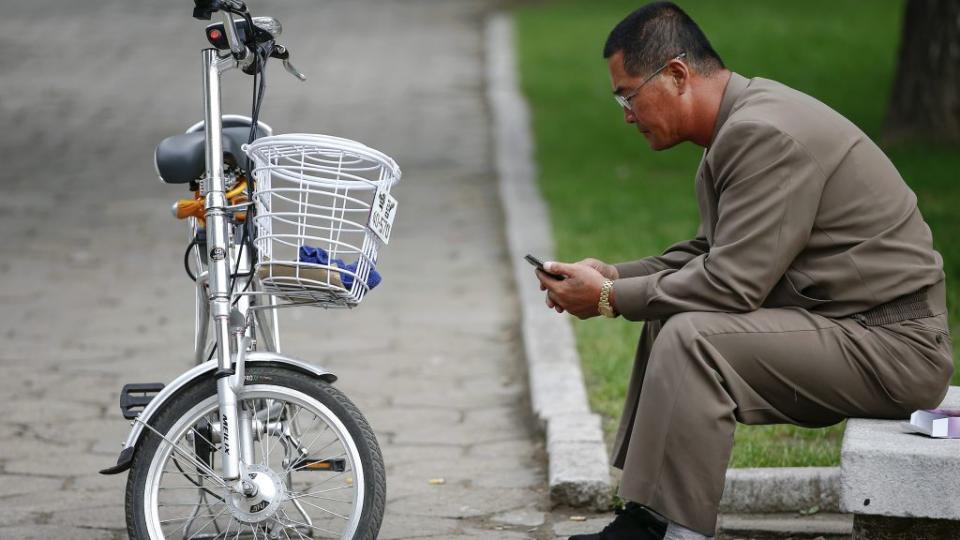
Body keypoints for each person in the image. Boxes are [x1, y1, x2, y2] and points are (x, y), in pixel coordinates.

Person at [535, 3, 954, 539]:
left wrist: (610, 297)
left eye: (629, 95)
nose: (626, 114)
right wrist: (613, 273)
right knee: (672, 318)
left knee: (693, 337)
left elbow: (732, 283)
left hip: (895, 346)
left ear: (678, 75)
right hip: (854, 328)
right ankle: (649, 520)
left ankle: (677, 534)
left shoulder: (763, 133)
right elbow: (712, 253)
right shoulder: (741, 122)